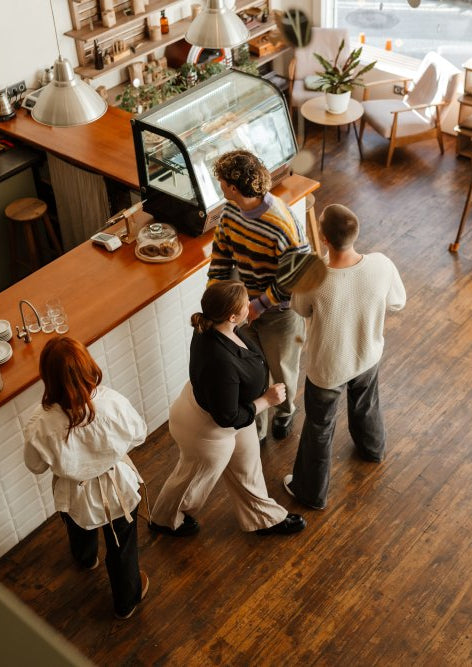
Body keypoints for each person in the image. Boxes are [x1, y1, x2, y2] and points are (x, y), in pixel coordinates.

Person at [150, 280, 306, 537]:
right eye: (246, 303)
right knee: (192, 480)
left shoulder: (217, 325)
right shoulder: (219, 360)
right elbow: (227, 417)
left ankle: (263, 518)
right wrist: (267, 401)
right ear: (232, 315)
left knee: (247, 464)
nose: (250, 304)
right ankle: (164, 520)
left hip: (232, 411)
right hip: (207, 430)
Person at [284, 204, 406, 510]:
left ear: (324, 239)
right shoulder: (381, 264)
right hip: (367, 355)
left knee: (319, 428)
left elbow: (299, 310)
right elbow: (397, 303)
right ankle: (372, 449)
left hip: (328, 367)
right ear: (356, 232)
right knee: (366, 405)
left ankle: (310, 492)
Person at [23, 337, 149, 620]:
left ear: (47, 375)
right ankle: (126, 601)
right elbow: (140, 433)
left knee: (78, 526)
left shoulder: (40, 422)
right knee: (122, 547)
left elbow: (35, 466)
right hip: (117, 487)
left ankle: (86, 559)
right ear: (87, 366)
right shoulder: (112, 402)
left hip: (74, 493)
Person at [208, 150, 310, 443]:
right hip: (244, 308)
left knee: (282, 370)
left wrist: (259, 305)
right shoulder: (229, 213)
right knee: (252, 372)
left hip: (280, 313)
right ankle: (258, 426)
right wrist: (217, 296)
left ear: (233, 188)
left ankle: (286, 412)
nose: (219, 186)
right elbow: (221, 256)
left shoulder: (282, 222)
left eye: (222, 182)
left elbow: (297, 276)